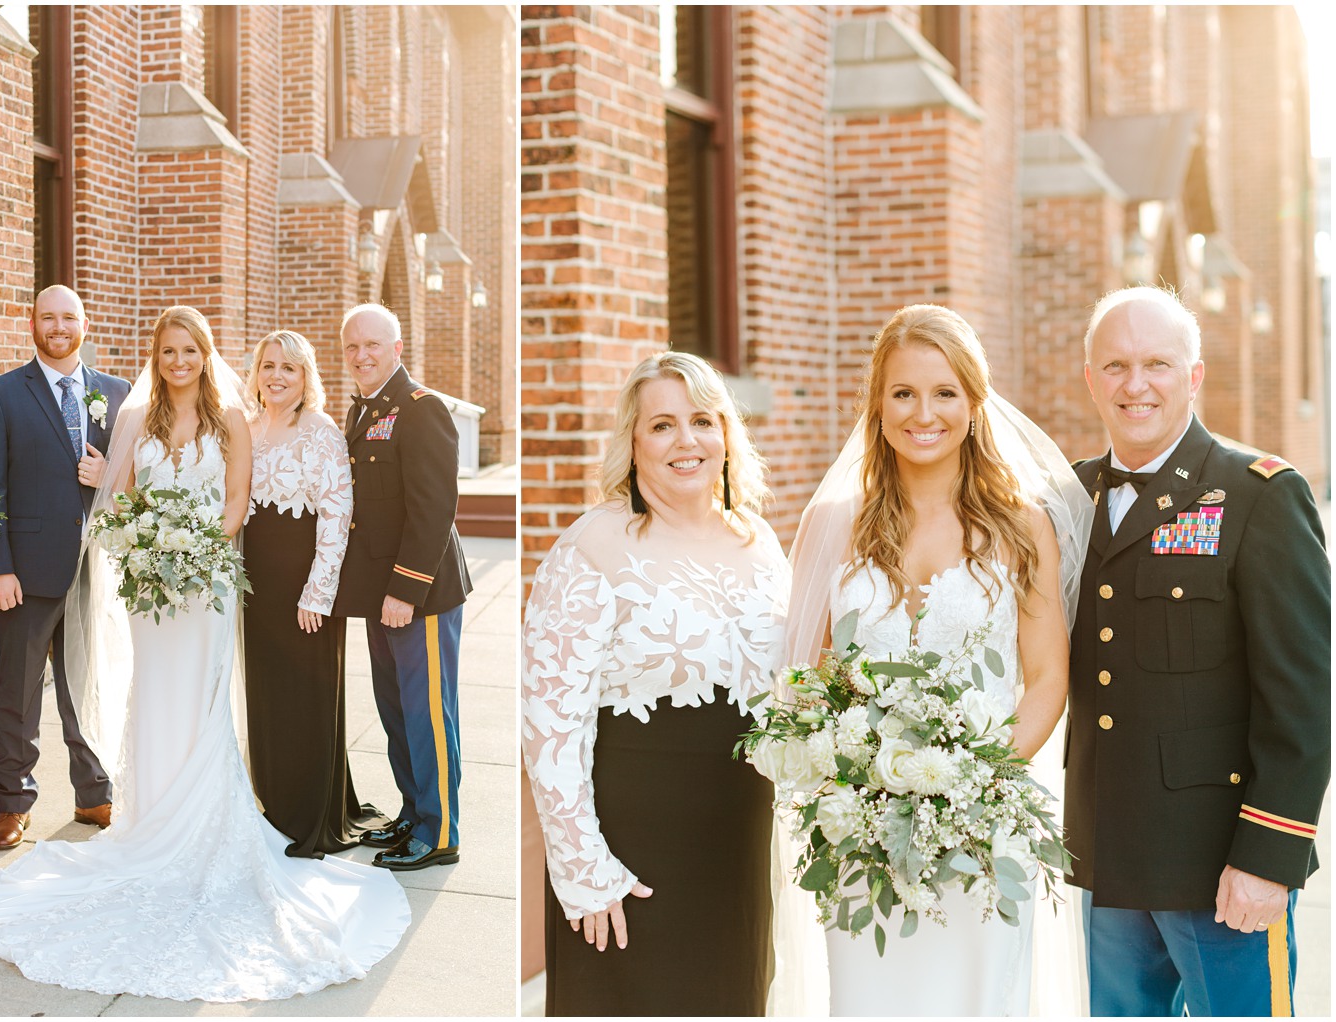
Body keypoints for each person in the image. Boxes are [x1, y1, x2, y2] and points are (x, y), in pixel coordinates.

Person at [0, 306, 410, 1002]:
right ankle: (152, 821)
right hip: (152, 594)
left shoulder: (231, 421)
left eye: (189, 349)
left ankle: (207, 831)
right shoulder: (139, 421)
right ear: (156, 356)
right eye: (167, 350)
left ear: (206, 353)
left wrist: (199, 555)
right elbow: (125, 502)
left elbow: (236, 504)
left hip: (207, 587)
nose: (178, 361)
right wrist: (147, 552)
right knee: (157, 698)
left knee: (201, 700)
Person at [783, 305, 1092, 1015]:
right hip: (862, 839)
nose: (925, 413)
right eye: (903, 393)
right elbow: (813, 676)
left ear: (975, 403)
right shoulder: (836, 523)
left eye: (945, 392)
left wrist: (974, 789)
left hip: (985, 835)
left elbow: (1046, 679)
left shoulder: (1022, 526)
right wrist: (852, 781)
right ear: (878, 404)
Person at [1065, 285, 1330, 1016]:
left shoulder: (1258, 495)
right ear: (1090, 379)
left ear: (1194, 374)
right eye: (1115, 366)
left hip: (1222, 869)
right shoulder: (1066, 500)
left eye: (1156, 362)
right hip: (1109, 862)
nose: (1135, 384)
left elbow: (1300, 703)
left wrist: (1267, 859)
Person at [521, 351, 790, 1016]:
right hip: (629, 857)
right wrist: (584, 871)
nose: (687, 441)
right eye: (663, 425)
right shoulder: (592, 547)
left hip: (736, 851)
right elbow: (550, 723)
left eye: (703, 420)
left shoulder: (759, 542)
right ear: (633, 441)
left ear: (728, 433)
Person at [0, 285, 129, 850]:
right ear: (31, 323)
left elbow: (132, 481)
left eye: (69, 318)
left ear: (85, 324)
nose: (58, 327)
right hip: (25, 573)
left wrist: (108, 475)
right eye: (47, 318)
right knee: (19, 690)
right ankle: (14, 802)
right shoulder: (1, 394)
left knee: (91, 682)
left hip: (96, 571)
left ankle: (94, 793)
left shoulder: (117, 392)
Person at [334, 303, 471, 871]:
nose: (362, 356)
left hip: (421, 594)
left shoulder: (421, 409)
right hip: (379, 594)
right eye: (352, 348)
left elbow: (435, 509)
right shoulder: (361, 411)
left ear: (396, 348)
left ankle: (440, 833)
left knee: (428, 714)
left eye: (373, 345)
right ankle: (414, 812)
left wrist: (406, 590)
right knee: (394, 709)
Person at [242, 329, 387, 857]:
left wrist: (317, 593)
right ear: (255, 374)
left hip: (304, 587)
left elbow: (337, 514)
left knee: (306, 697)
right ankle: (274, 802)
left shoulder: (320, 431)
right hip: (255, 586)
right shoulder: (247, 428)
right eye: (268, 366)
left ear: (306, 378)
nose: (277, 376)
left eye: (290, 368)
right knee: (266, 693)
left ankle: (310, 813)